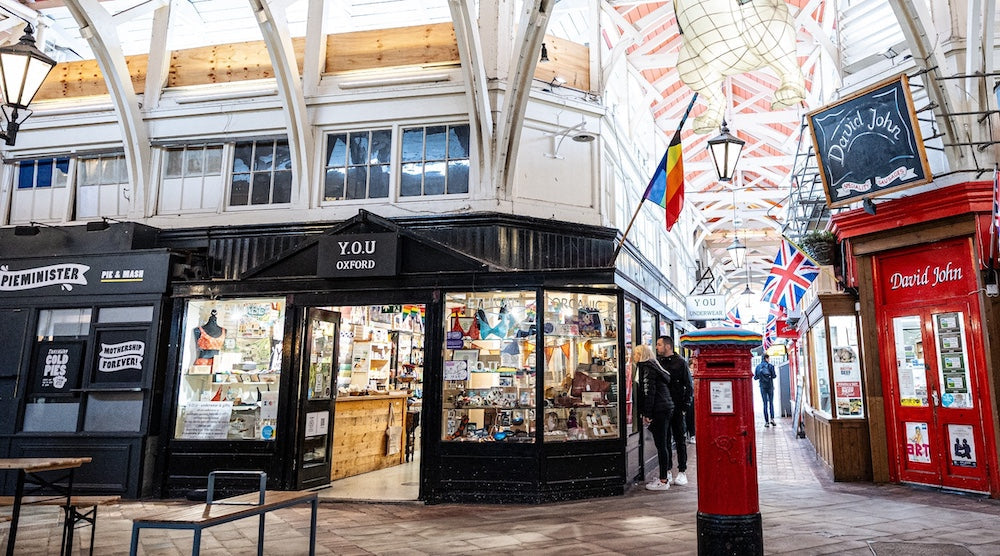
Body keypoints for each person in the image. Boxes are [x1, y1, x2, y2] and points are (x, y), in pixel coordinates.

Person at [635, 344, 674, 491]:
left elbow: (648, 393)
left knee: (661, 444)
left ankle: (663, 480)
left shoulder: (646, 368)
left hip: (659, 409)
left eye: (635, 354)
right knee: (664, 443)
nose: (633, 357)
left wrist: (648, 414)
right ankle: (666, 473)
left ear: (641, 355)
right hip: (666, 407)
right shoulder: (655, 366)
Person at [656, 335, 693, 486]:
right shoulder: (658, 363)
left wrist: (685, 407)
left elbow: (689, 386)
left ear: (668, 346)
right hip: (663, 408)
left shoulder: (681, 363)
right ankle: (668, 471)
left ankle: (682, 471)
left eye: (659, 344)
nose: (657, 347)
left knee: (679, 439)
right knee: (664, 440)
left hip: (677, 407)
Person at [754, 353, 777, 427]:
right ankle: (772, 419)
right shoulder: (770, 366)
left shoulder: (758, 367)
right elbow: (774, 376)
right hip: (770, 386)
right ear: (767, 358)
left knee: (764, 404)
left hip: (762, 387)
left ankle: (766, 422)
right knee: (771, 403)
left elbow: (755, 378)